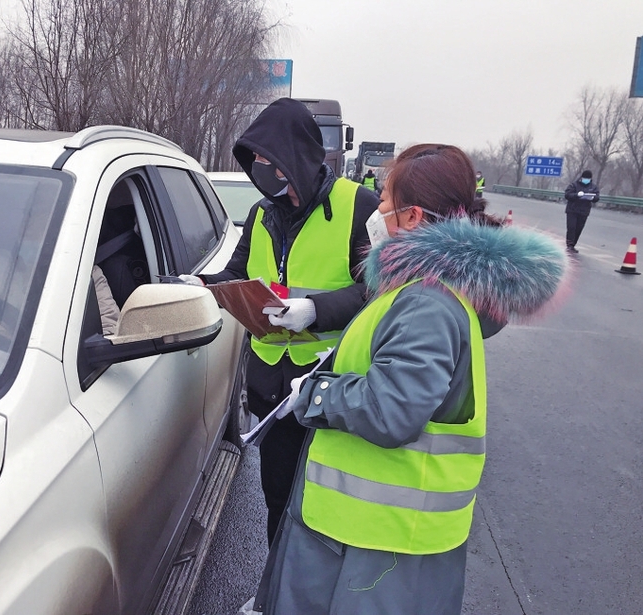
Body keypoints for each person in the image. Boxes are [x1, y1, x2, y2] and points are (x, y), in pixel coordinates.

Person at [254, 144, 570, 614]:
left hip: (374, 546)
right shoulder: (418, 290)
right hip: (380, 539)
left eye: (384, 200)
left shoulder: (425, 301)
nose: (377, 210)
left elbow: (391, 409)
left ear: (413, 216)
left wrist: (316, 392)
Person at [180, 97, 379, 544]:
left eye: (278, 167)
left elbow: (379, 288)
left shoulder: (358, 207)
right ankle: (274, 592)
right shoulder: (261, 214)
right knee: (277, 498)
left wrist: (315, 310)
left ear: (302, 159)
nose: (272, 179)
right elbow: (238, 272)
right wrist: (203, 285)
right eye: (263, 167)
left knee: (324, 503)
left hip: (331, 382)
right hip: (271, 388)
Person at [564, 169, 599, 253]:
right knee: (571, 228)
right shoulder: (574, 185)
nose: (586, 180)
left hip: (584, 211)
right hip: (572, 210)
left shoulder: (593, 187)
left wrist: (593, 197)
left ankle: (573, 244)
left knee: (578, 229)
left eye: (588, 178)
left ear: (591, 179)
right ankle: (570, 245)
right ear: (581, 178)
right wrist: (577, 195)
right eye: (585, 178)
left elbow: (597, 197)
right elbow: (567, 195)